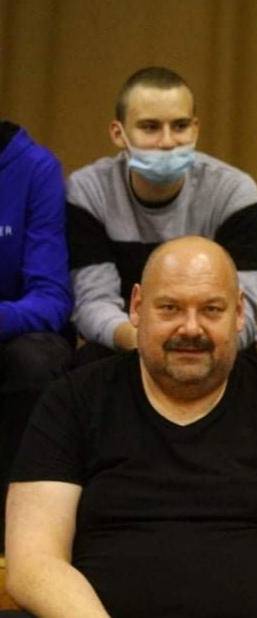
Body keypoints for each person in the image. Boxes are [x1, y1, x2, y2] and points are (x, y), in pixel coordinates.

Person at [4, 237, 257, 618]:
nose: (191, 328)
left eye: (211, 309)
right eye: (170, 308)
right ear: (137, 307)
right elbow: (33, 564)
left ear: (239, 313)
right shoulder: (73, 400)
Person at [66, 66, 257, 365]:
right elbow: (93, 304)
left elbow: (242, 312)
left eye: (180, 126)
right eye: (150, 127)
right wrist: (153, 344)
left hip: (214, 347)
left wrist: (188, 342)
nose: (168, 141)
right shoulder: (88, 190)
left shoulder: (233, 191)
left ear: (195, 129)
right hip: (126, 344)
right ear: (118, 134)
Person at [0, 119, 74, 550]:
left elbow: (51, 299)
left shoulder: (35, 168)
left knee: (37, 360)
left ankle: (19, 541)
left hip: (11, 338)